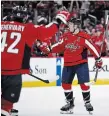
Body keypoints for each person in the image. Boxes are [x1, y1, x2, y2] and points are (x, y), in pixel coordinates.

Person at [1, 9, 66, 116]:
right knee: (6, 104)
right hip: (12, 73)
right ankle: (6, 109)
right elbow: (47, 31)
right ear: (25, 18)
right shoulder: (27, 28)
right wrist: (58, 21)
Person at [38, 17, 103, 114]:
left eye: (71, 25)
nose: (68, 26)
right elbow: (59, 45)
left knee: (84, 84)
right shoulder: (66, 36)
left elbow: (93, 48)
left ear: (76, 26)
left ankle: (87, 102)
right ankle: (70, 103)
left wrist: (98, 59)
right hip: (68, 64)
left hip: (81, 64)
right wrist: (48, 49)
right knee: (65, 84)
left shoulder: (84, 36)